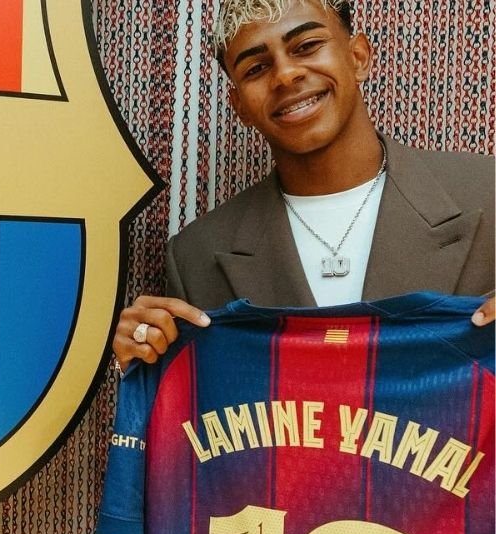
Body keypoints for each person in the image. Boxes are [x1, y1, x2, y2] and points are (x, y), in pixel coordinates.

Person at [112, 0, 495, 372]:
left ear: (358, 56)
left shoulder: (488, 193)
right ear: (239, 105)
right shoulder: (197, 257)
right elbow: (197, 405)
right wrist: (142, 361)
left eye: (307, 46)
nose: (285, 75)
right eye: (256, 68)